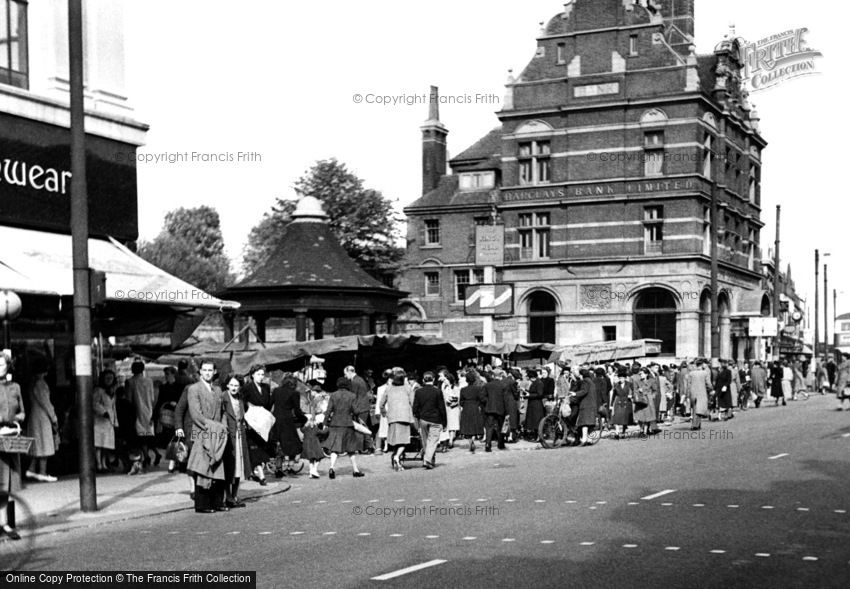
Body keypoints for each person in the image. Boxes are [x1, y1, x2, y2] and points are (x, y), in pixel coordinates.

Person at [186, 360, 228, 514]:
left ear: (214, 372)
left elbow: (222, 412)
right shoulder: (194, 389)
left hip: (216, 433)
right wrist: (214, 426)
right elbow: (196, 414)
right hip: (202, 432)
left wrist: (223, 428)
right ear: (200, 372)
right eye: (205, 370)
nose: (208, 373)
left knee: (217, 466)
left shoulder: (217, 390)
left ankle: (217, 502)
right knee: (203, 467)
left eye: (210, 370)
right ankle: (202, 504)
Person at [0, 352, 25, 539]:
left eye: (2, 364)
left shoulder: (15, 387)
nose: (0, 367)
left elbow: (22, 412)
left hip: (9, 439)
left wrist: (16, 419)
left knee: (5, 483)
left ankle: (5, 523)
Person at [25, 359, 58, 482]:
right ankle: (42, 472)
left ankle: (32, 469)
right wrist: (54, 418)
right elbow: (46, 402)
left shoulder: (32, 383)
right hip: (42, 417)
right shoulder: (41, 384)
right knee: (44, 443)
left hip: (34, 415)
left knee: (37, 444)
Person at [324, 377, 364, 479]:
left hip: (335, 423)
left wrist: (325, 423)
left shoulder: (333, 395)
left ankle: (332, 468)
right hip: (347, 424)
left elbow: (328, 410)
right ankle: (355, 470)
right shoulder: (352, 396)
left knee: (334, 448)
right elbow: (356, 411)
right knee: (351, 449)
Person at [221, 374, 251, 509]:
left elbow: (242, 416)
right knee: (229, 466)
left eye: (236, 386)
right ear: (227, 385)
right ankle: (227, 496)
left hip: (239, 435)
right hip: (228, 436)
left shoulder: (240, 399)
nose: (234, 388)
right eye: (231, 385)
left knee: (239, 466)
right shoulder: (223, 397)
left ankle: (234, 495)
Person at [241, 364, 273, 486]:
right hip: (252, 421)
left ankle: (256, 471)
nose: (260, 377)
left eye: (262, 374)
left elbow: (268, 403)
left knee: (262, 447)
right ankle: (261, 475)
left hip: (262, 421)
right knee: (255, 448)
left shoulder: (266, 387)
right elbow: (242, 402)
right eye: (258, 374)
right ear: (252, 375)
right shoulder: (247, 388)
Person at [126, 359, 160, 470]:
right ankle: (152, 454)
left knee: (140, 437)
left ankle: (146, 456)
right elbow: (153, 397)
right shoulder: (149, 381)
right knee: (148, 435)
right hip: (149, 410)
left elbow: (129, 399)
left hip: (136, 411)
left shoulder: (130, 382)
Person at [272, 375, 307, 476]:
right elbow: (297, 411)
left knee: (279, 445)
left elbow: (270, 404)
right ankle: (289, 467)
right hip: (287, 421)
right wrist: (304, 419)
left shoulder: (276, 391)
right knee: (294, 444)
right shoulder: (294, 393)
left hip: (276, 420)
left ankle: (278, 469)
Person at [381, 368, 414, 470]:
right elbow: (413, 402)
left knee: (395, 441)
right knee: (403, 441)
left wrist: (384, 413)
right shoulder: (407, 388)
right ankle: (396, 456)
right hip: (404, 417)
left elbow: (381, 403)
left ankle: (396, 459)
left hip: (392, 417)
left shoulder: (389, 388)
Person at [412, 372, 447, 469]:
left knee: (425, 440)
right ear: (434, 380)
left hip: (423, 419)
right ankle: (427, 460)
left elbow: (415, 408)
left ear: (423, 380)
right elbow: (442, 408)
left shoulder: (418, 392)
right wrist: (444, 423)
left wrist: (419, 416)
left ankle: (429, 459)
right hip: (436, 419)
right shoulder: (437, 391)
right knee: (433, 441)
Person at [93, 370, 118, 473]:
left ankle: (104, 464)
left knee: (106, 444)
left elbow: (113, 407)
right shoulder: (98, 391)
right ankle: (99, 464)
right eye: (107, 378)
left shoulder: (112, 391)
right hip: (99, 420)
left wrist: (115, 421)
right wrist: (103, 412)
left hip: (109, 421)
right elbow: (94, 403)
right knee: (98, 443)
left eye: (111, 378)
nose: (109, 380)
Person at [345, 365, 374, 454]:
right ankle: (366, 446)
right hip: (363, 407)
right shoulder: (359, 379)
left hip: (360, 408)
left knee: (362, 427)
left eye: (346, 374)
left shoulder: (355, 381)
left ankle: (368, 446)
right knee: (363, 427)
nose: (346, 376)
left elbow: (353, 396)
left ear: (350, 372)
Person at [301, 382, 327, 478]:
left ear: (314, 391)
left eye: (311, 391)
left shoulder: (316, 400)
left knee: (312, 455)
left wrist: (311, 420)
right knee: (317, 453)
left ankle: (312, 471)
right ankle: (313, 470)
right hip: (317, 424)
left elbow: (313, 412)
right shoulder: (321, 398)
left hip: (314, 422)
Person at [458, 369, 485, 453]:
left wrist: (464, 404)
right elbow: (481, 399)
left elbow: (461, 401)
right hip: (475, 407)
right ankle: (473, 439)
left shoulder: (463, 389)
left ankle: (470, 441)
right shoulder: (478, 389)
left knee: (467, 426)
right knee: (474, 425)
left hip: (466, 407)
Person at [482, 369, 508, 452]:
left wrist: (488, 402)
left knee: (489, 427)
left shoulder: (487, 385)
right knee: (500, 427)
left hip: (490, 409)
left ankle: (488, 444)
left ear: (493, 375)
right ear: (501, 375)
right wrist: (507, 411)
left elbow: (482, 397)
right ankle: (501, 444)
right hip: (501, 409)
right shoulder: (503, 385)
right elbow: (505, 400)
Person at [571, 369, 599, 445]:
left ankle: (584, 439)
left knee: (584, 423)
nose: (579, 376)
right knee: (590, 423)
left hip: (586, 405)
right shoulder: (591, 381)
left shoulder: (585, 381)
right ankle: (590, 439)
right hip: (592, 404)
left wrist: (575, 394)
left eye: (579, 375)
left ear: (581, 375)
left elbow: (584, 391)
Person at [687, 360, 713, 430]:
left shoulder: (691, 373)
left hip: (693, 393)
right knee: (700, 409)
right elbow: (708, 383)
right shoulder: (705, 373)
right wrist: (711, 389)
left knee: (695, 408)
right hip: (702, 393)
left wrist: (688, 394)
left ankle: (696, 424)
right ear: (701, 365)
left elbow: (688, 385)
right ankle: (696, 425)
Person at [439, 370, 460, 450]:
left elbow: (457, 398)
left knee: (452, 424)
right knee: (447, 424)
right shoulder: (444, 387)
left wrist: (453, 402)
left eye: (446, 380)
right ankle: (448, 439)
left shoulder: (455, 388)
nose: (445, 381)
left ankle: (451, 440)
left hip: (453, 408)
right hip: (446, 407)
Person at [524, 369, 546, 440]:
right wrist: (525, 392)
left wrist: (529, 394)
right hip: (533, 404)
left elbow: (540, 394)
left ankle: (539, 436)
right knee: (533, 421)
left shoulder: (539, 383)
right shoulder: (535, 383)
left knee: (537, 421)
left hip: (537, 404)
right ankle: (536, 436)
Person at [610, 369, 633, 437]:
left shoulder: (629, 384)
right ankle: (617, 433)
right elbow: (614, 395)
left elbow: (634, 391)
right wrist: (611, 405)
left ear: (625, 378)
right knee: (616, 417)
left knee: (625, 418)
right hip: (618, 401)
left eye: (622, 378)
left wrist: (631, 396)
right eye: (620, 378)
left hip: (626, 401)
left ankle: (623, 432)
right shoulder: (616, 385)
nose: (621, 379)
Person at [373, 370, 392, 453]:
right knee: (384, 428)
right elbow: (379, 401)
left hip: (393, 410)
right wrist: (377, 412)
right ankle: (385, 445)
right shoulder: (381, 388)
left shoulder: (396, 388)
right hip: (385, 410)